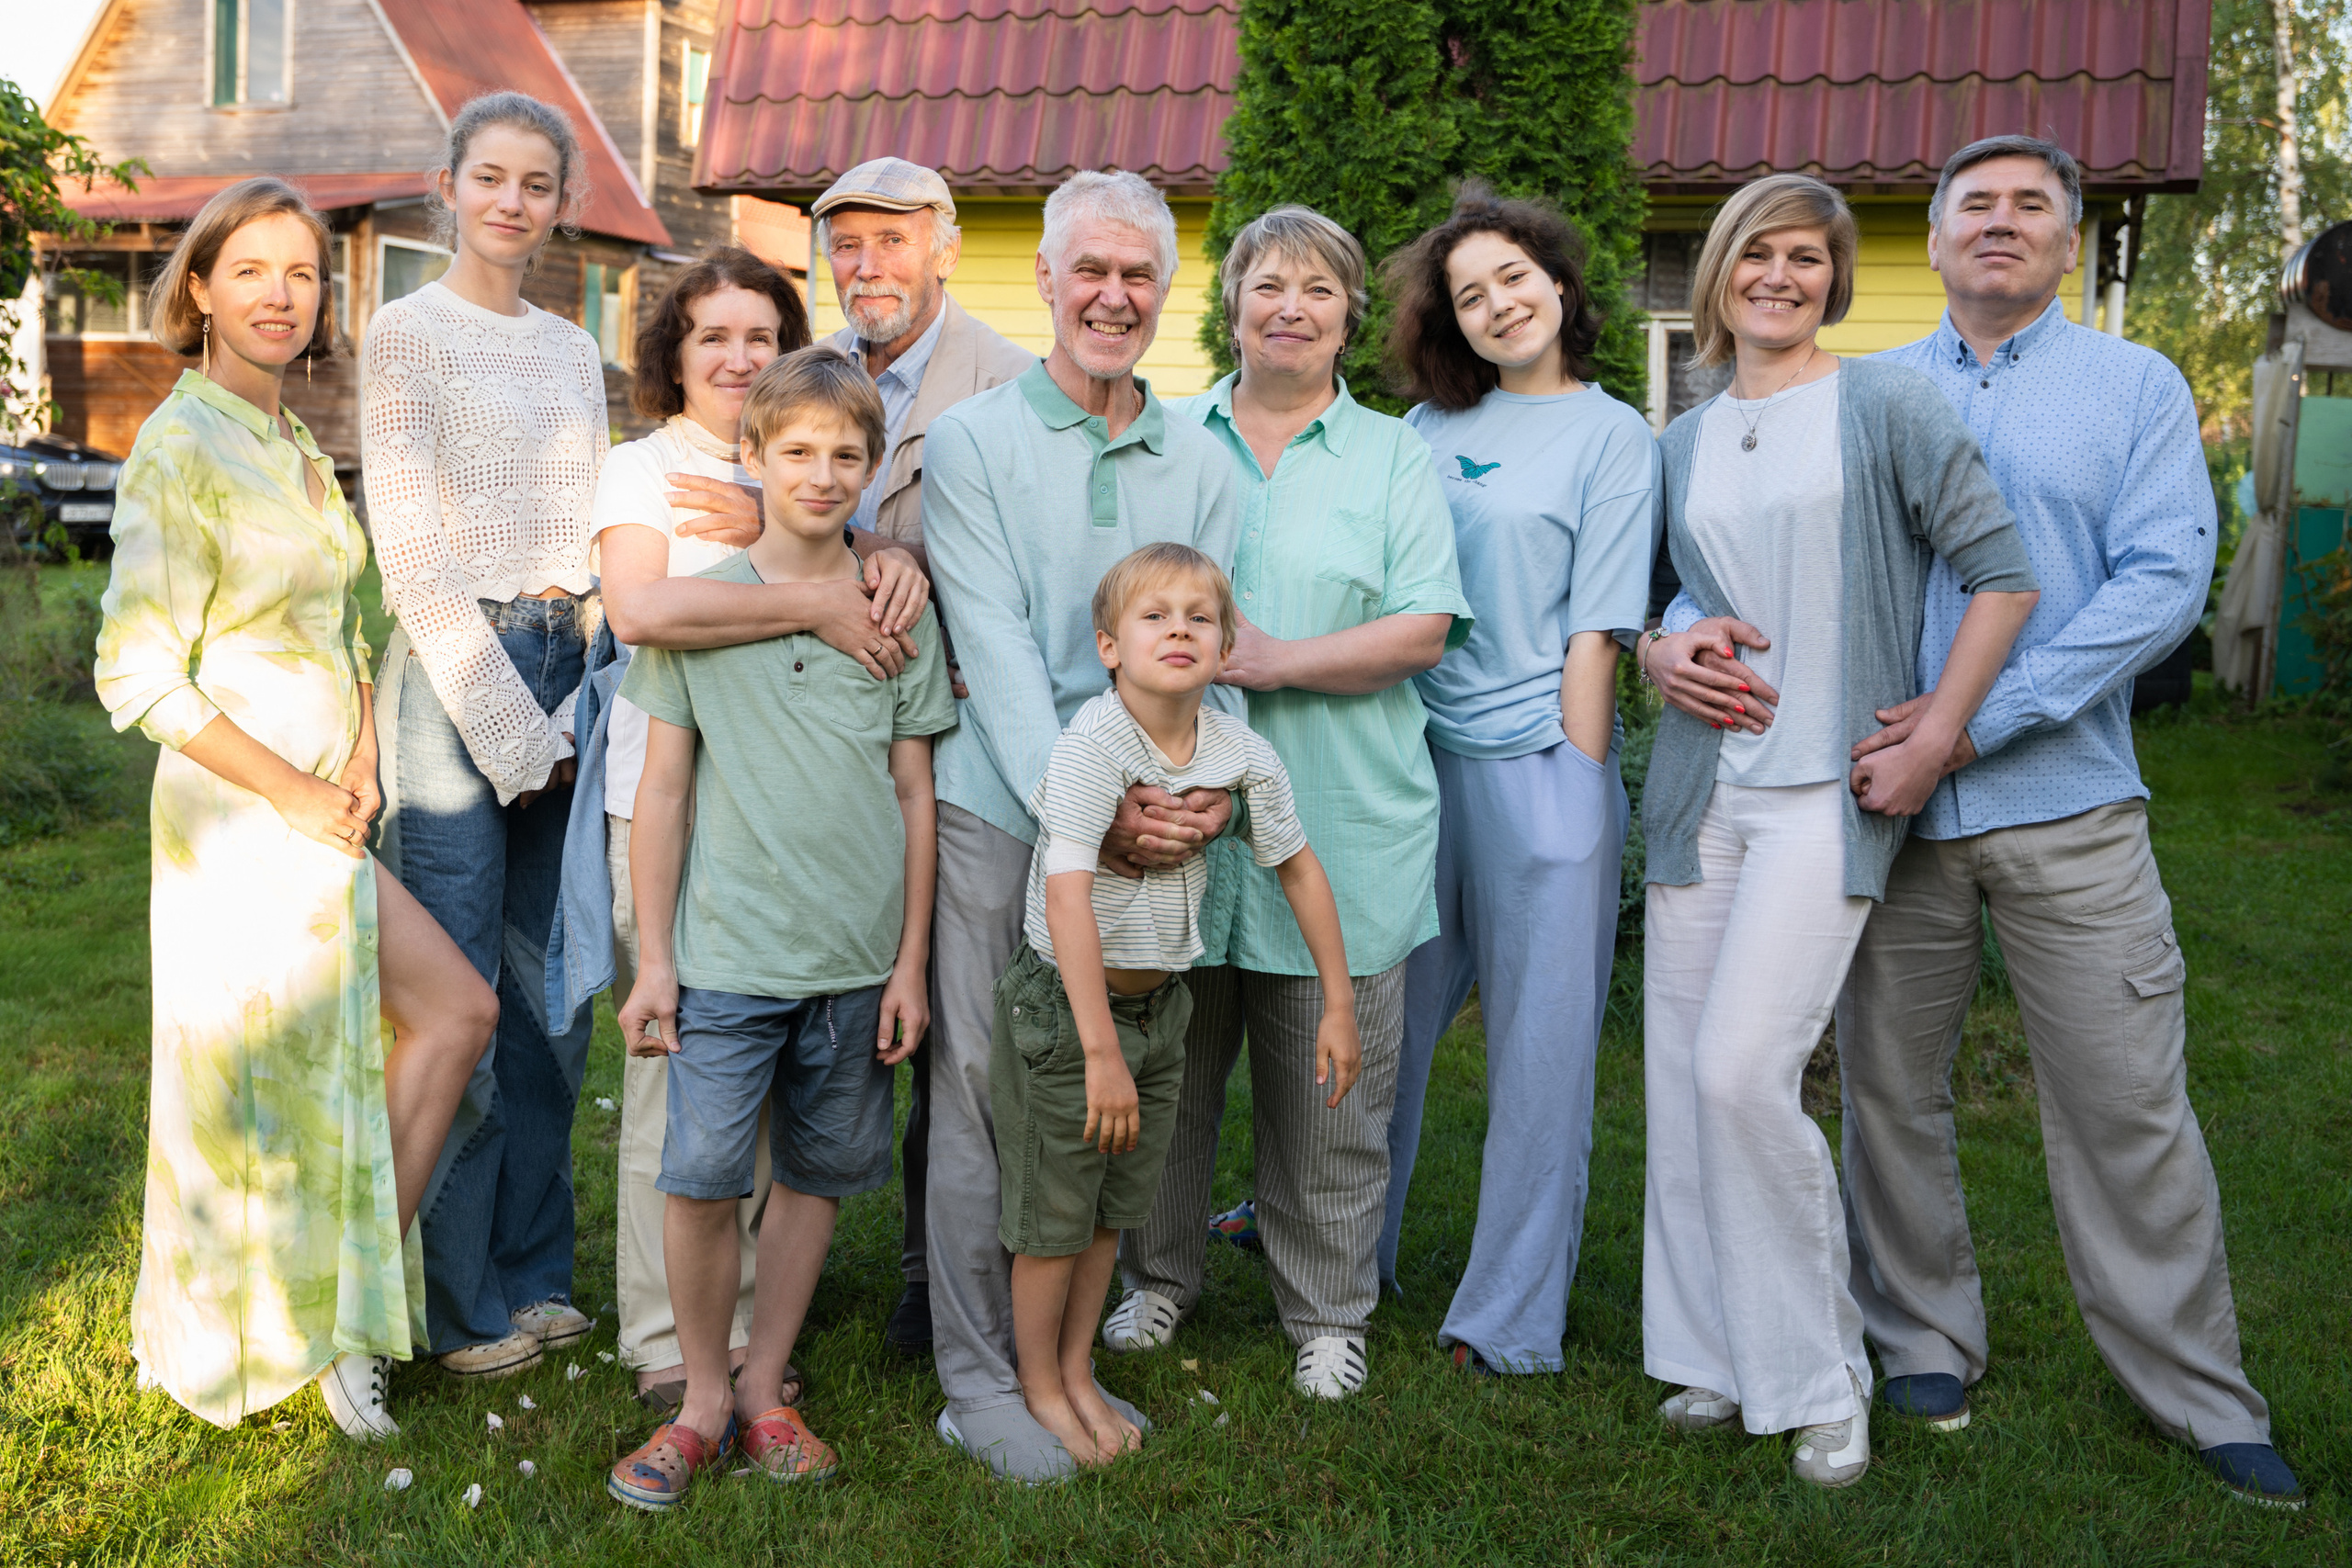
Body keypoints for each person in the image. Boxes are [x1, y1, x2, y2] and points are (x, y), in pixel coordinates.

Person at [1831, 136, 2301, 1507]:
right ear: (1934, 238)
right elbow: (1776, 550)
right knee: (1886, 1090)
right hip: (1889, 814)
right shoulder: (1861, 392)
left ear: (2067, 239)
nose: (2001, 221)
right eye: (1974, 203)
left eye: (2031, 204)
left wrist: (1976, 722)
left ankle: (2197, 1389)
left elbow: (2162, 584)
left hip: (2070, 802)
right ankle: (1920, 1336)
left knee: (2126, 1100)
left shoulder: (2135, 385)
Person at [1637, 173, 2038, 1489]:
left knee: (1740, 1071)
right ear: (1719, 273)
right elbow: (1657, 604)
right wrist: (1658, 649)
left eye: (1806, 257)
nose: (1780, 276)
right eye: (1757, 253)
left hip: (1824, 792)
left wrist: (1938, 731)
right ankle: (1709, 1351)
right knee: (1680, 1076)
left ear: (1835, 279)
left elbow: (2004, 574)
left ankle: (1820, 1376)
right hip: (1706, 793)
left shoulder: (1882, 405)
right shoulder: (1684, 438)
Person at [94, 177, 495, 1439]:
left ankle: (344, 1312)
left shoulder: (296, 443)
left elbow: (344, 624)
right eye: (252, 271)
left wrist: (364, 750)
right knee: (259, 1081)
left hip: (329, 808)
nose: (281, 295)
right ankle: (293, 1329)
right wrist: (296, 788)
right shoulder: (180, 445)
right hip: (237, 818)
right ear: (200, 291)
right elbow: (138, 673)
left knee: (438, 1022)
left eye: (303, 273)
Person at [1111, 207, 1471, 1400]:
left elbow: (1423, 627)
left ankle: (1326, 1311)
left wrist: (1274, 660)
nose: (1290, 308)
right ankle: (1156, 1276)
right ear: (1233, 308)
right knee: (1169, 1070)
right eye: (1267, 285)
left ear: (1348, 317)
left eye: (1317, 290)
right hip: (1176, 818)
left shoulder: (1393, 457)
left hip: (1343, 816)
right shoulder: (1168, 439)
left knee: (1331, 1092)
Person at [921, 169, 1243, 1483]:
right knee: (987, 1090)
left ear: (1165, 291)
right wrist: (1086, 811)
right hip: (1006, 806)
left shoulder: (1204, 460)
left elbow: (1209, 646)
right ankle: (977, 1379)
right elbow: (995, 651)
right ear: (1047, 280)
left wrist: (1205, 795)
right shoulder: (973, 441)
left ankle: (1061, 1365)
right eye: (1090, 271)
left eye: (1138, 275)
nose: (1113, 296)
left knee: (1103, 1103)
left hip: (1154, 827)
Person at [605, 349, 956, 1507]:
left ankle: (764, 1388)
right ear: (750, 456)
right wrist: (656, 961)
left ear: (872, 468)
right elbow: (663, 791)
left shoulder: (897, 614)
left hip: (854, 964)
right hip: (724, 958)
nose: (821, 472)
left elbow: (914, 795)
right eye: (796, 450)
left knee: (814, 1175)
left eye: (846, 454)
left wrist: (909, 965)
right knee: (701, 1179)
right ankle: (701, 1398)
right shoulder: (703, 609)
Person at [1371, 186, 1657, 1378]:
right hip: (1413, 768)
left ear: (1560, 284)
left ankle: (1506, 1318)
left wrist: (1578, 790)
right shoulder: (1423, 431)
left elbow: (1600, 630)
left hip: (1541, 768)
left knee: (1539, 1062)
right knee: (1382, 1032)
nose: (1497, 305)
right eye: (1469, 295)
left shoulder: (1612, 436)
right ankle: (1343, 1255)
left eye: (1513, 278)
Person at [1001, 543, 1357, 1461]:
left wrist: (1337, 1002)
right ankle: (1039, 1386)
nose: (1180, 631)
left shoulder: (1238, 752)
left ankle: (1077, 1370)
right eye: (1154, 616)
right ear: (1109, 646)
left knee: (1111, 1210)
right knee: (1055, 1218)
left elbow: (1299, 867)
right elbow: (1066, 897)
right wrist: (1097, 1051)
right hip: (1070, 1014)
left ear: (1226, 646)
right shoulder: (1093, 747)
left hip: (1161, 1009)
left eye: (1200, 618)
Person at [363, 91, 608, 1378]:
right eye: (492, 177)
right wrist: (514, 732)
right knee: (459, 993)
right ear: (450, 186)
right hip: (456, 670)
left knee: (552, 996)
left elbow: (593, 532)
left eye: (537, 183)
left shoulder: (573, 349)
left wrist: (580, 696)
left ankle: (535, 1269)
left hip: (572, 658)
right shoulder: (404, 334)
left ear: (561, 203)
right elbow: (408, 552)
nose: (513, 202)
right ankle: (459, 1305)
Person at [810, 156, 1036, 1352]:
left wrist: (910, 569)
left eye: (892, 240)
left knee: (958, 1017)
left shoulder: (1008, 382)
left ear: (945, 248)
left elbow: (1027, 567)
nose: (868, 266)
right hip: (822, 743)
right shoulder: (810, 373)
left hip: (959, 744)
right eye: (847, 245)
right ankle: (770, 1274)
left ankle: (929, 1273)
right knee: (819, 999)